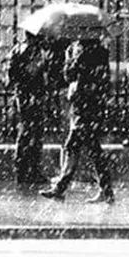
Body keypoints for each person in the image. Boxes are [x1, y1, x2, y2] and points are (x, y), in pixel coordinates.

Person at [40, 33, 114, 203]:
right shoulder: (76, 49)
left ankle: (62, 187)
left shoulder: (95, 52)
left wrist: (76, 61)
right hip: (81, 103)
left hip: (89, 104)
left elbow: (90, 75)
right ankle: (104, 190)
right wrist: (71, 59)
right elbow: (69, 75)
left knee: (82, 146)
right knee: (84, 146)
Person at [6, 29, 50, 190]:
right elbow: (37, 73)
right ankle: (33, 170)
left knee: (24, 132)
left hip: (22, 95)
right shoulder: (35, 51)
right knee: (35, 133)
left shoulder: (17, 49)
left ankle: (21, 169)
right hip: (33, 95)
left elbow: (11, 76)